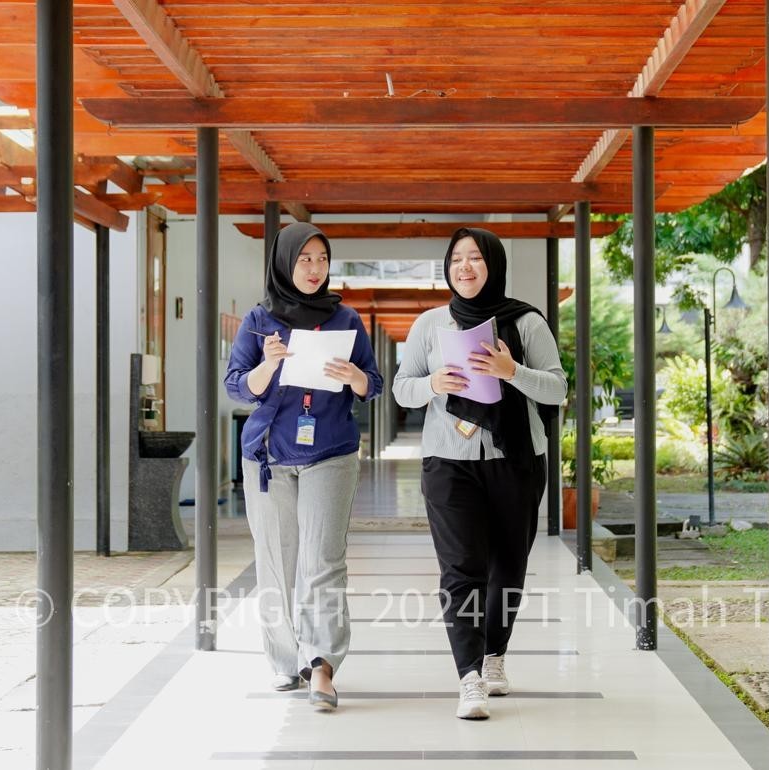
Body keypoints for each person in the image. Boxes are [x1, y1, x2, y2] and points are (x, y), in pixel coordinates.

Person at [392, 227, 566, 720]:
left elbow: (557, 389)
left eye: (474, 258)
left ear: (493, 265)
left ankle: (494, 656)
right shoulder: (430, 325)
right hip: (448, 462)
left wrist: (513, 373)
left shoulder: (526, 322)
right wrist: (433, 383)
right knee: (460, 569)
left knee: (507, 567)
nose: (464, 267)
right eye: (456, 259)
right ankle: (469, 676)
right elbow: (402, 389)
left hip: (516, 459)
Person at [225, 223, 382, 711]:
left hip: (330, 452)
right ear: (284, 264)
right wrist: (268, 365)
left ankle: (322, 663)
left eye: (322, 259)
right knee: (276, 560)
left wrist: (355, 376)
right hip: (269, 456)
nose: (315, 269)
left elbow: (373, 383)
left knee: (323, 561)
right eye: (304, 259)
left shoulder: (346, 318)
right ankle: (283, 658)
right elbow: (236, 386)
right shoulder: (258, 319)